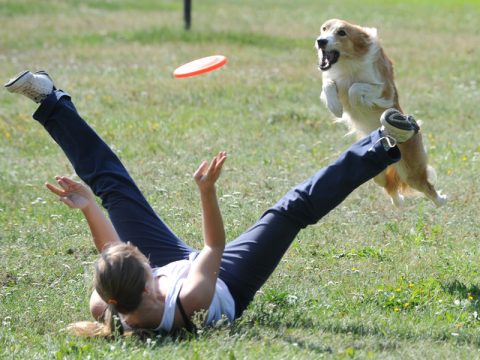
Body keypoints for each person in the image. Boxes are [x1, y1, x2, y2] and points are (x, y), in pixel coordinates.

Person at [4, 70, 419, 336]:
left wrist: (89, 206)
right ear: (150, 282)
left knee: (113, 191)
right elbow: (213, 250)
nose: (138, 254)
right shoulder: (193, 300)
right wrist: (206, 193)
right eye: (142, 261)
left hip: (175, 269)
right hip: (227, 281)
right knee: (289, 211)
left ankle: (50, 101)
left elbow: (111, 253)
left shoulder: (106, 302)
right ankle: (382, 144)